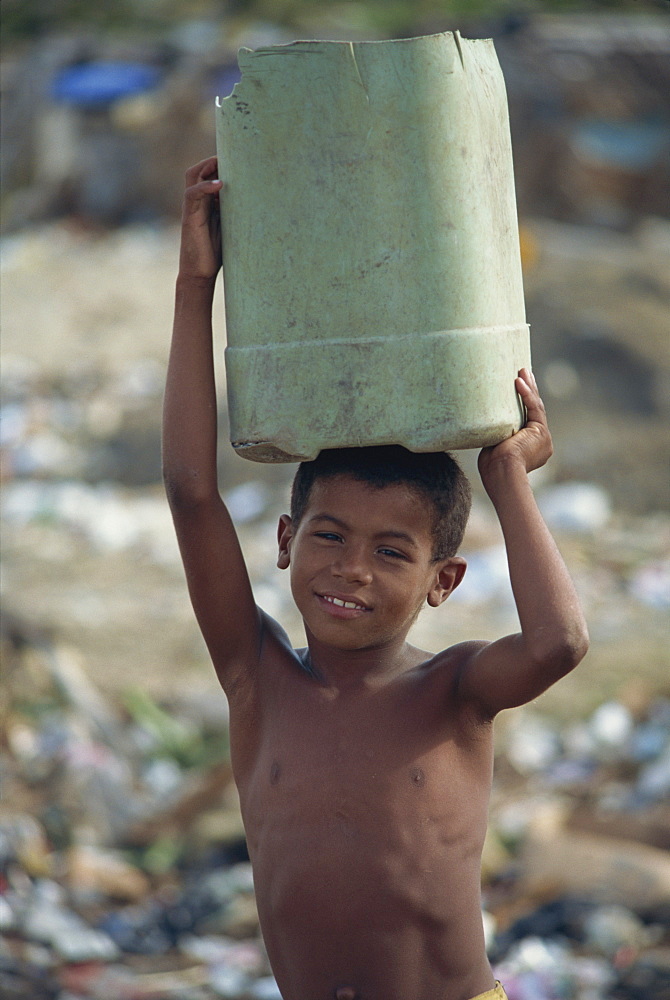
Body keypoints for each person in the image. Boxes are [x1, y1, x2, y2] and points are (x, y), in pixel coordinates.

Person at [162, 156, 589, 1000]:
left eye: (393, 552)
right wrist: (194, 285)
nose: (351, 569)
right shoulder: (258, 680)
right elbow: (190, 492)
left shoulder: (455, 690)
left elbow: (560, 643)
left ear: (444, 579)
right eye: (329, 535)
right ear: (285, 540)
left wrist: (505, 474)